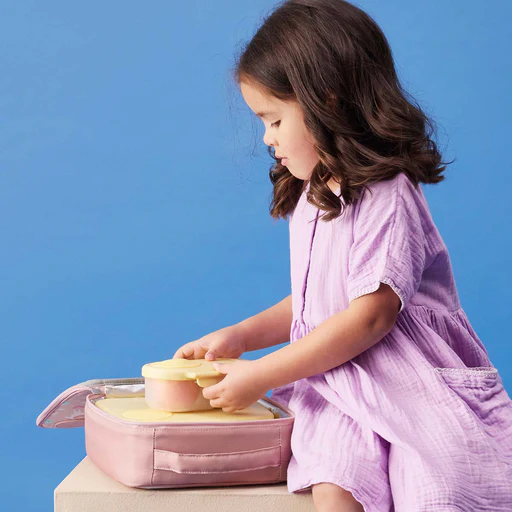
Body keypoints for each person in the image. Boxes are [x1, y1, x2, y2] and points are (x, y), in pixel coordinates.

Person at [172, 1, 512, 510]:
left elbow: (370, 315)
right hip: (337, 381)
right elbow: (316, 301)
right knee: (336, 479)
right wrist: (241, 336)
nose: (267, 138)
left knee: (436, 487)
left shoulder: (387, 193)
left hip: (406, 381)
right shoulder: (312, 192)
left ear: (325, 100)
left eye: (274, 120)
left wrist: (263, 374)